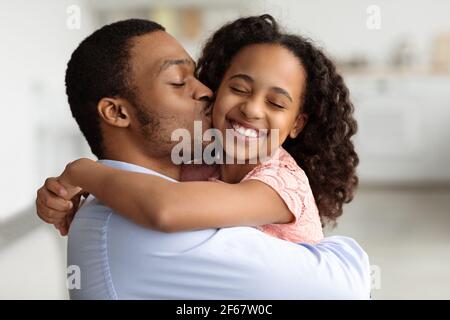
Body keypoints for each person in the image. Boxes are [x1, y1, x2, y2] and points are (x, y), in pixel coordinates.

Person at [36, 17, 370, 299]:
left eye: (277, 103)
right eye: (180, 82)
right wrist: (70, 192)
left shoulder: (278, 183)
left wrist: (83, 172)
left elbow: (165, 206)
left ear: (297, 123)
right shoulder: (199, 164)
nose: (205, 91)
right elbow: (153, 197)